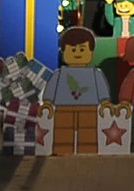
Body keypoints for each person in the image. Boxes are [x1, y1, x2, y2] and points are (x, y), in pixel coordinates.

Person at [44, 27, 111, 155]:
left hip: (90, 108)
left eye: (82, 49)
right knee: (62, 131)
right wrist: (48, 102)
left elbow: (102, 90)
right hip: (63, 108)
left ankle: (89, 151)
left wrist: (104, 102)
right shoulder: (59, 74)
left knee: (88, 132)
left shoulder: (95, 74)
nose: (77, 53)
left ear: (91, 52)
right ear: (63, 52)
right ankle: (61, 150)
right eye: (73, 49)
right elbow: (51, 89)